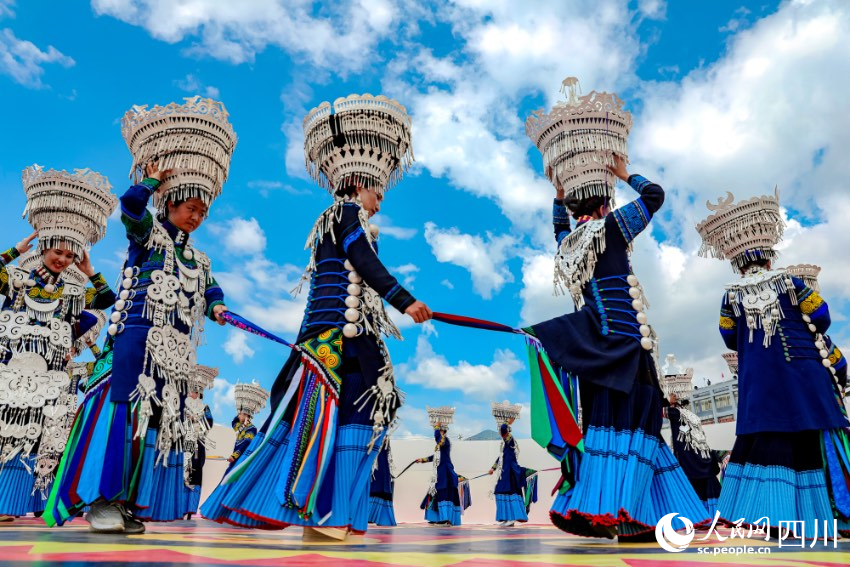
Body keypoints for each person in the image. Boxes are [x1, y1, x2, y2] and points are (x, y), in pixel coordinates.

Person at [202, 92, 431, 541]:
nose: (381, 196)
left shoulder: (350, 220)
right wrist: (404, 301)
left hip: (349, 339)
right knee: (334, 422)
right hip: (332, 342)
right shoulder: (345, 215)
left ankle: (333, 516)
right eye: (377, 186)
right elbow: (364, 263)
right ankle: (323, 516)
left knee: (353, 422)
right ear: (359, 181)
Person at [525, 79, 709, 541]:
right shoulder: (611, 228)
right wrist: (628, 173)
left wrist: (557, 191)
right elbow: (655, 197)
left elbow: (557, 229)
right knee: (640, 424)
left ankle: (616, 509)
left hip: (596, 348)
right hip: (628, 345)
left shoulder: (571, 243)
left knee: (607, 425)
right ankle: (627, 512)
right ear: (605, 199)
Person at [45, 95, 237, 533]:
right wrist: (150, 181)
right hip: (134, 340)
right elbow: (130, 208)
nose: (197, 217)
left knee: (152, 422)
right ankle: (100, 500)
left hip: (172, 353)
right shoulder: (148, 235)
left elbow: (211, 289)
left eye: (203, 212)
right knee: (125, 413)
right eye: (191, 208)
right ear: (171, 204)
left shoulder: (200, 259)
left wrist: (220, 307)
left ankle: (129, 501)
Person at [696, 190, 850, 538]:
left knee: (771, 447)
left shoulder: (729, 296)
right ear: (768, 258)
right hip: (803, 379)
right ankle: (827, 516)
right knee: (812, 443)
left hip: (759, 387)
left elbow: (729, 339)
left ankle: (778, 518)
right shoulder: (790, 282)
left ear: (738, 263)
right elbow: (822, 319)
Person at [0, 165, 117, 522]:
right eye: (59, 253)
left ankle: (13, 504)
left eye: (70, 256)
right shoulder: (17, 280)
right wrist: (14, 251)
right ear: (45, 246)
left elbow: (108, 298)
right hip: (10, 369)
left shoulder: (73, 293)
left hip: (49, 377)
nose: (63, 259)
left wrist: (89, 270)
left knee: (36, 436)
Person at [664, 393, 721, 515]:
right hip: (703, 459)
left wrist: (668, 401)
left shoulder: (676, 413)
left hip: (690, 461)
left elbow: (658, 410)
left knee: (693, 493)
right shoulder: (691, 415)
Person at [417, 409, 468, 526]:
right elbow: (435, 457)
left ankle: (445, 519)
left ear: (442, 431)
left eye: (439, 430)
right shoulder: (440, 444)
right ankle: (436, 518)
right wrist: (423, 460)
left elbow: (438, 439)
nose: (438, 431)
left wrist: (436, 427)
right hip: (439, 474)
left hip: (445, 473)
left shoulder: (444, 441)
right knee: (436, 493)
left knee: (443, 494)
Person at [489, 404, 537, 527]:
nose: (500, 431)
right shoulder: (504, 443)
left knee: (509, 492)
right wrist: (493, 468)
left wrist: (508, 421)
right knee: (500, 492)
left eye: (501, 429)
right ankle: (505, 519)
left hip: (510, 472)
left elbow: (504, 429)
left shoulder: (509, 439)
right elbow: (500, 457)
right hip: (503, 473)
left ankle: (511, 518)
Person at [183, 365, 216, 520]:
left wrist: (197, 420)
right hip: (184, 441)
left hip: (198, 443)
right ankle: (179, 506)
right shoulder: (183, 405)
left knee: (195, 472)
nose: (193, 394)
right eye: (192, 390)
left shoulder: (205, 408)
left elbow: (209, 422)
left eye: (196, 391)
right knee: (182, 471)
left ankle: (190, 508)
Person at [368, 435, 396, 526]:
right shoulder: (373, 436)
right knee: (374, 488)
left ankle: (382, 518)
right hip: (375, 467)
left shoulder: (384, 436)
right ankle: (370, 516)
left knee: (381, 489)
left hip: (381, 467)